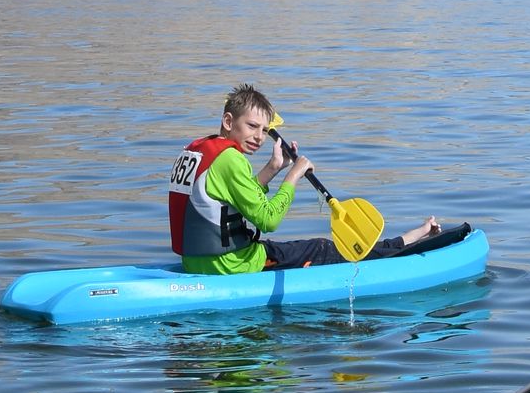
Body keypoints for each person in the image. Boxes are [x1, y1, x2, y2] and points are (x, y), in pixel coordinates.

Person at [169, 83, 453, 273]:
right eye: (252, 126)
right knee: (323, 248)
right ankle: (403, 247)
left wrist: (274, 167)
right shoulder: (232, 159)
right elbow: (268, 221)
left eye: (264, 130)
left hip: (196, 263)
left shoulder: (197, 149)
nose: (258, 137)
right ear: (229, 121)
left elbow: (225, 202)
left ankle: (408, 238)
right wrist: (293, 176)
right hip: (231, 266)